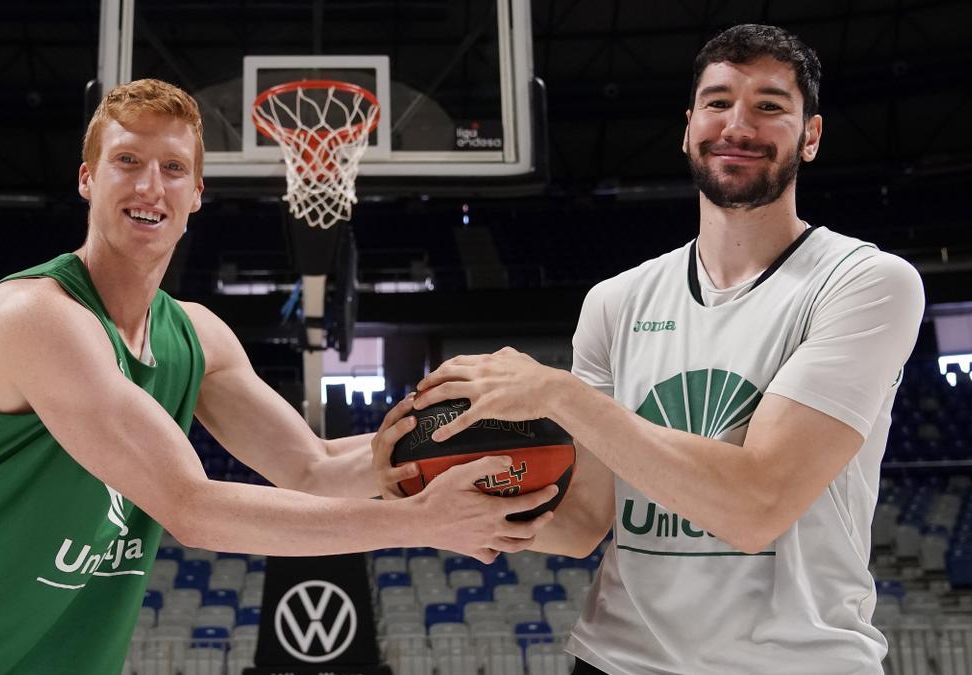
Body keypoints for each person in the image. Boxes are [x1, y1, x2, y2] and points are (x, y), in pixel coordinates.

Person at [0, 79, 556, 674]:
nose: (149, 187)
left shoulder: (196, 335)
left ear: (198, 194)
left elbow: (310, 465)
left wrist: (446, 439)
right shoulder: (37, 316)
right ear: (88, 179)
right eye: (127, 162)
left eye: (173, 169)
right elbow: (189, 506)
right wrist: (423, 522)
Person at [375, 24, 925, 674]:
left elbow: (757, 507)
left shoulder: (865, 283)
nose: (738, 124)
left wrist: (558, 392)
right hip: (616, 658)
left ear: (810, 136)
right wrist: (432, 495)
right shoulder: (617, 301)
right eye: (718, 102)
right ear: (688, 126)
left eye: (770, 105)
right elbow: (581, 521)